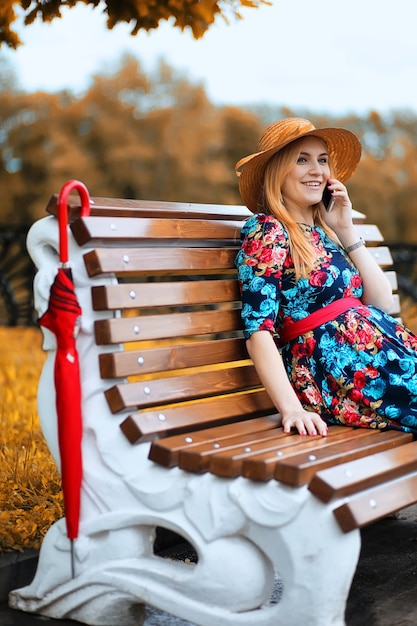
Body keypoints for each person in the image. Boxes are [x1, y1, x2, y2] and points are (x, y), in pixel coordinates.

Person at [234, 117, 417, 438]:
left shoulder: (325, 232)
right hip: (337, 369)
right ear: (277, 171)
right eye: (302, 160)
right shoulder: (269, 229)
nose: (317, 170)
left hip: (381, 357)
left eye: (322, 160)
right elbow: (258, 329)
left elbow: (382, 303)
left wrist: (346, 229)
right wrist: (291, 408)